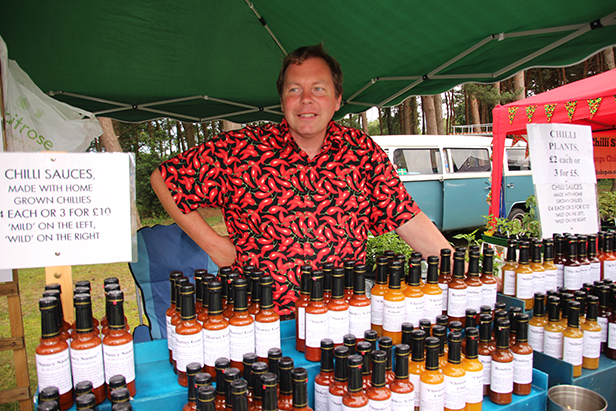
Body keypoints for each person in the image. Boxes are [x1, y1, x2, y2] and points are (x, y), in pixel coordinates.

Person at [151, 44, 453, 315]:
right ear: (282, 101)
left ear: (337, 100)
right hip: (258, 323)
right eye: (295, 90)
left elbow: (407, 218)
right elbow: (165, 179)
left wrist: (459, 270)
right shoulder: (241, 150)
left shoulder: (361, 152)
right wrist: (215, 246)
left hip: (341, 321)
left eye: (319, 89)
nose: (306, 99)